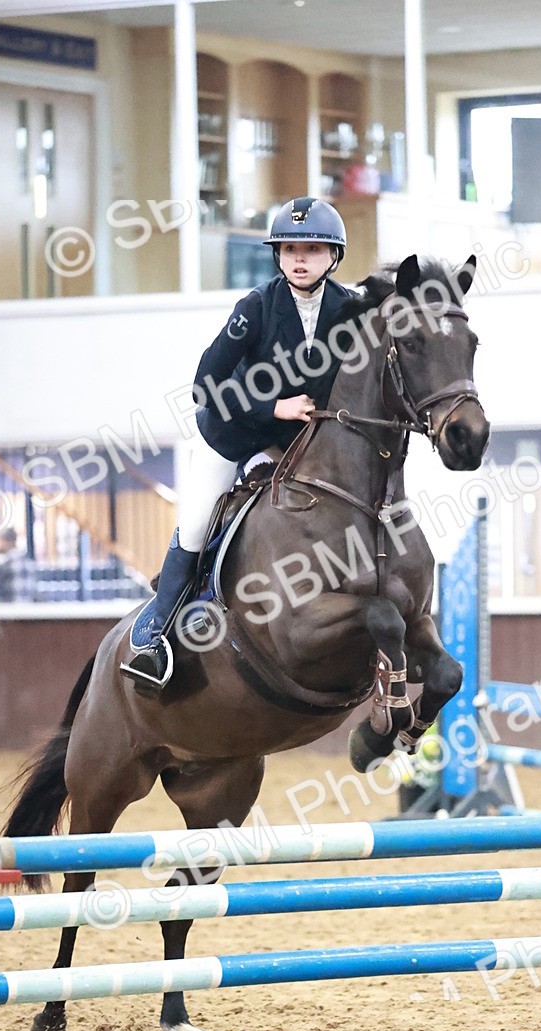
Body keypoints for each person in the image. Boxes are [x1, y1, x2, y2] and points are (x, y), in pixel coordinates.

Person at [121, 196, 353, 690]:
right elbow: (206, 383)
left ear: (334, 255)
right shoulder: (255, 307)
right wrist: (274, 407)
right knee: (200, 520)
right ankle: (155, 634)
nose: (298, 257)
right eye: (289, 247)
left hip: (303, 439)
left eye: (312, 249)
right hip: (235, 431)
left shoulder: (349, 309)